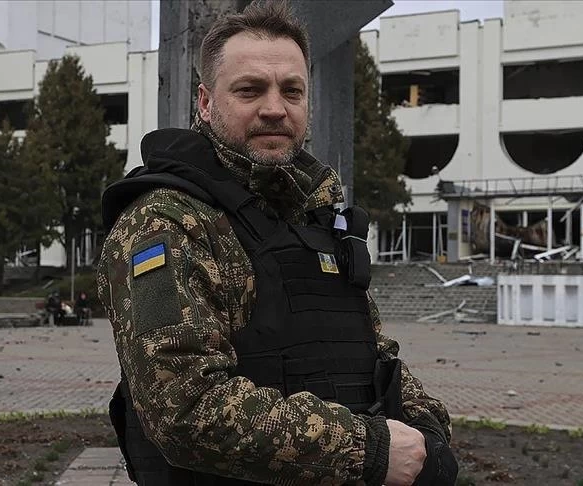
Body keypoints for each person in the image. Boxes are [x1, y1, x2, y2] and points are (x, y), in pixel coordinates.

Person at [97, 2, 458, 485]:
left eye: (292, 90)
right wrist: (369, 450)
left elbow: (367, 352)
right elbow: (184, 409)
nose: (274, 108)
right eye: (249, 90)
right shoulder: (167, 221)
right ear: (205, 102)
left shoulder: (314, 216)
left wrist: (427, 430)